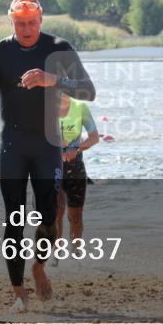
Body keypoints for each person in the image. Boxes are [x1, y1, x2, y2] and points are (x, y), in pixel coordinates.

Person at [0, 0, 95, 312]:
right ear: (12, 22)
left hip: (48, 145)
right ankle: (19, 292)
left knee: (48, 216)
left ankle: (38, 266)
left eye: (32, 22)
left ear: (41, 20)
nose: (27, 29)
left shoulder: (58, 48)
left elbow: (89, 89)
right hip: (12, 146)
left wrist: (52, 79)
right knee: (15, 219)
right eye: (20, 23)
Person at [55, 93, 101, 248]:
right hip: (51, 167)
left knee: (75, 216)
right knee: (56, 212)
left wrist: (76, 147)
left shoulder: (81, 108)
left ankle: (76, 251)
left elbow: (94, 137)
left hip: (75, 167)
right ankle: (56, 253)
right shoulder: (44, 108)